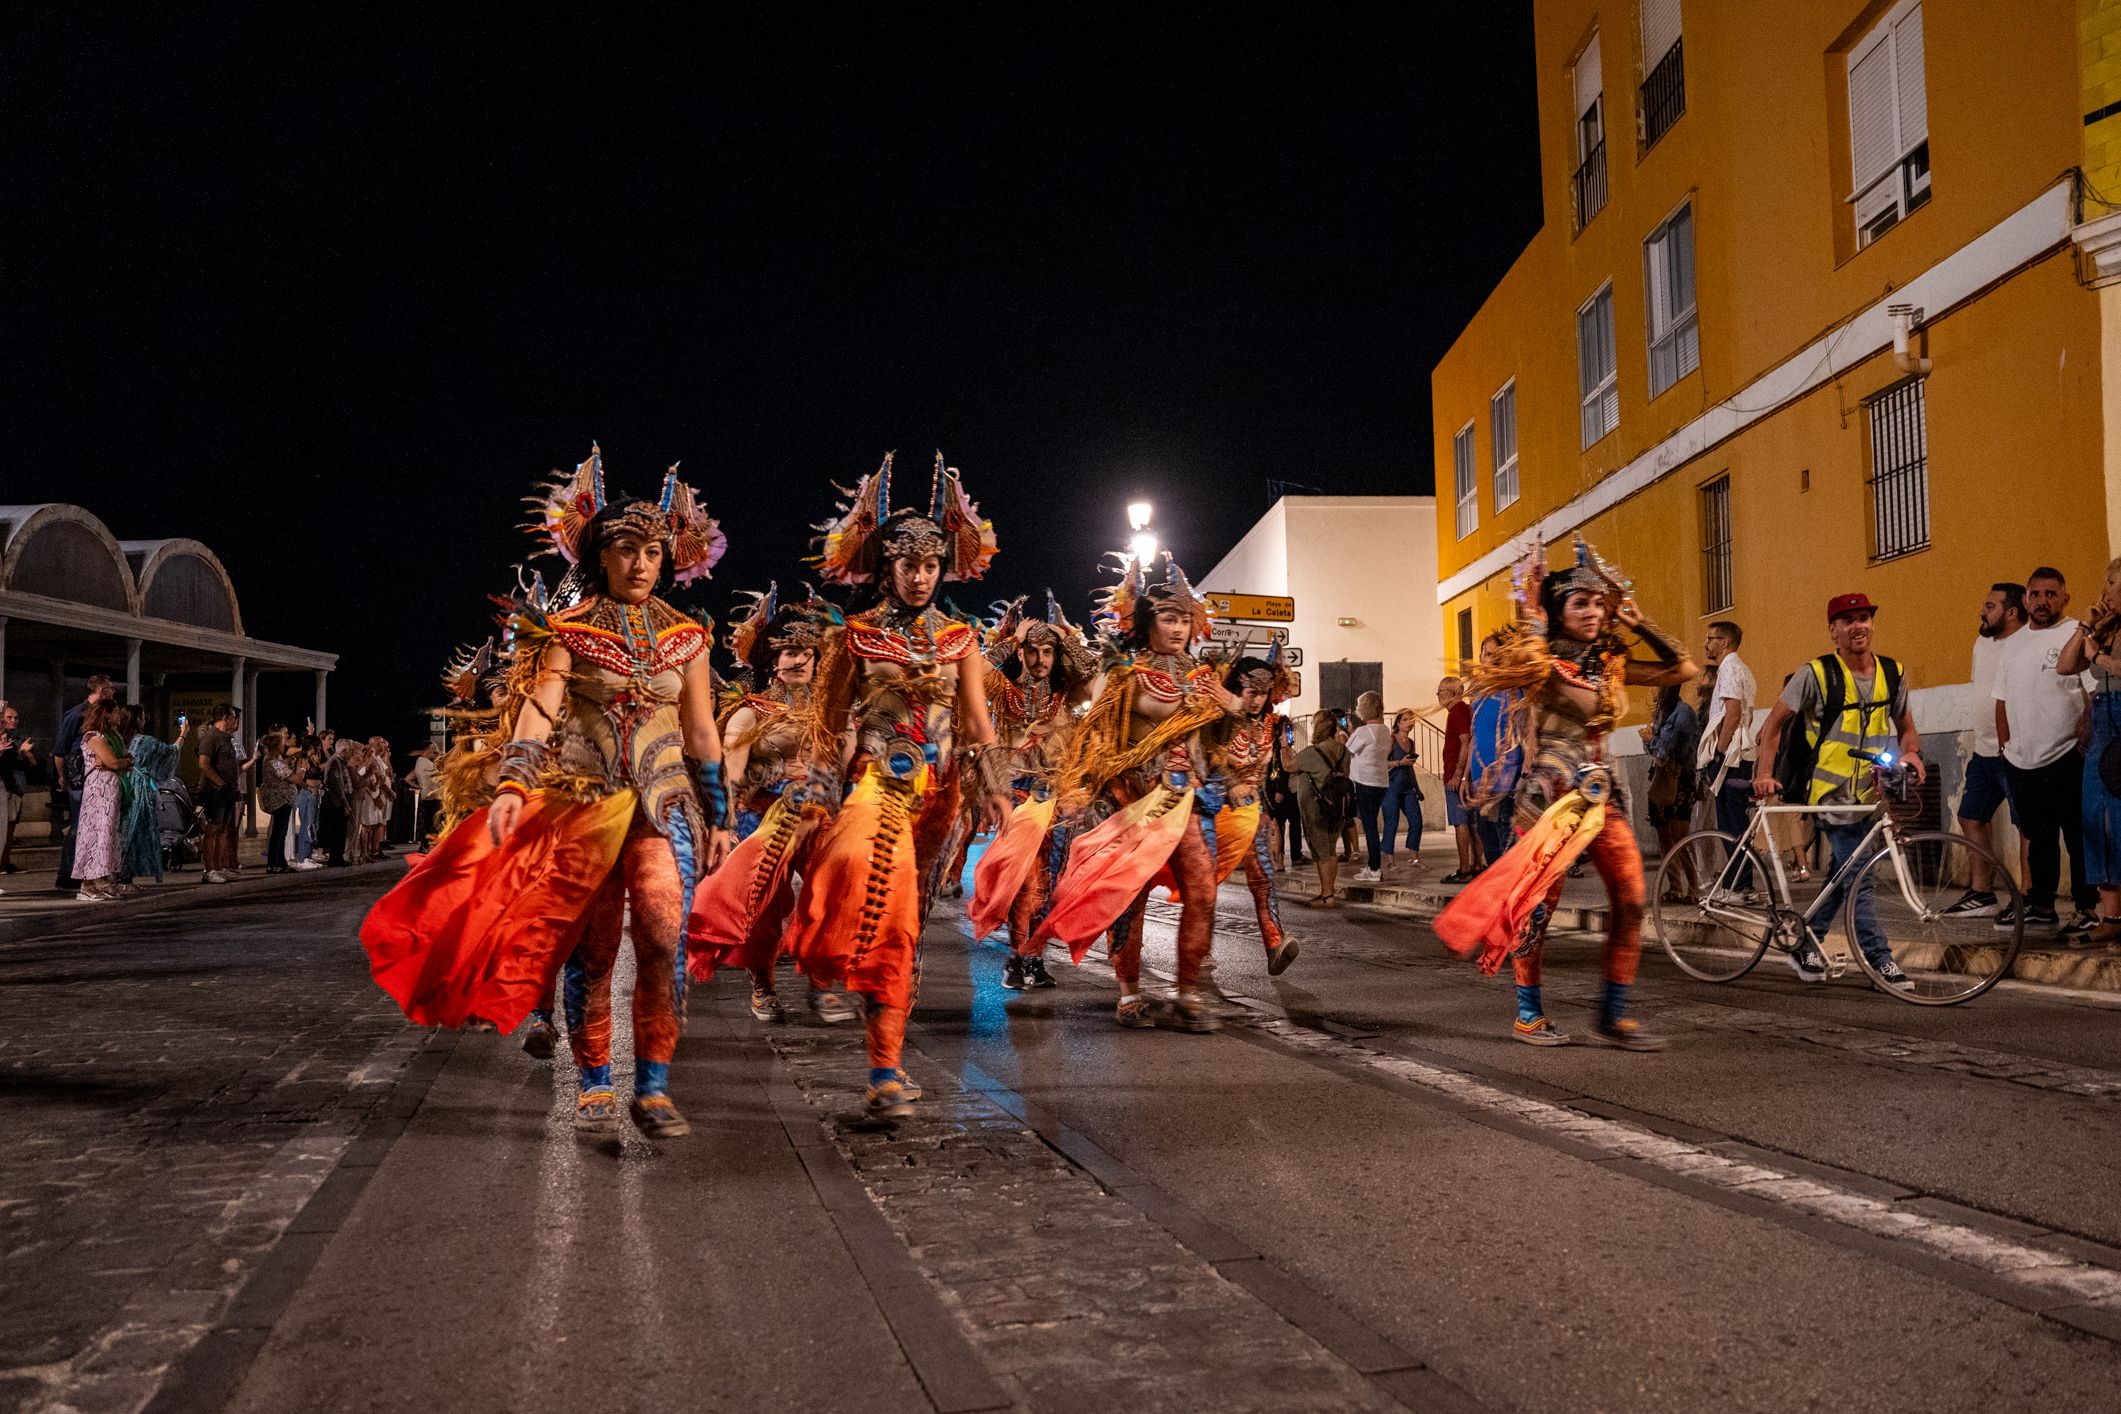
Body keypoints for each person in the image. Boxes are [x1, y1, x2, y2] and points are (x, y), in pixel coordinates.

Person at [363, 447, 735, 1139]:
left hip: (662, 812)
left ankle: (653, 1087)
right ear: (601, 556)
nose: (641, 564)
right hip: (587, 811)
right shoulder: (569, 634)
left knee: (660, 941)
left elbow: (702, 731)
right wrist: (513, 781)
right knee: (591, 951)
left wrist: (722, 816)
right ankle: (595, 1082)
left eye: (652, 551)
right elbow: (538, 707)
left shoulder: (689, 639)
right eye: (625, 550)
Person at [696, 452, 1008, 1115]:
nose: (920, 576)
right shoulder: (857, 640)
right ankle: (884, 1071)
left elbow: (979, 723)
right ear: (884, 567)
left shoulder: (960, 639)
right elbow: (831, 730)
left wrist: (996, 786)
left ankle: (885, 1053)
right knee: (887, 915)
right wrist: (817, 795)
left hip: (943, 795)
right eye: (907, 564)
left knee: (913, 923)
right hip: (879, 787)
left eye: (930, 565)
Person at [1435, 535, 1698, 1049]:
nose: (1595, 611)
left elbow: (1683, 669)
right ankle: (1528, 1014)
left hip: (1605, 797)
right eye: (1582, 602)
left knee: (1631, 899)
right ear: (1558, 611)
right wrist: (1537, 622)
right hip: (1550, 797)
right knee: (1536, 909)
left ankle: (1613, 1015)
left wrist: (1636, 621)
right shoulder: (1541, 664)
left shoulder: (1610, 659)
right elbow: (1584, 703)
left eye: (1600, 602)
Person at [1027, 548, 1243, 1032]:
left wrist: (1233, 709)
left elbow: (1220, 744)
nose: (1179, 629)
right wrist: (1092, 790)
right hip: (1133, 802)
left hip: (1182, 801)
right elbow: (1096, 738)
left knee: (1202, 891)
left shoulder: (1203, 679)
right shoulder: (1123, 672)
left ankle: (1188, 994)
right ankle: (1128, 994)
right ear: (1148, 621)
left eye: (1185, 620)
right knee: (1131, 896)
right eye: (1169, 618)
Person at [1752, 592, 1925, 986]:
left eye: (1863, 617)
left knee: (1841, 873)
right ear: (1834, 630)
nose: (1858, 625)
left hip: (1870, 793)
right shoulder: (1816, 674)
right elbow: (1773, 726)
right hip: (1828, 793)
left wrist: (1912, 753)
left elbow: (1907, 726)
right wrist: (1764, 773)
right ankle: (1879, 959)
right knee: (1859, 876)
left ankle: (1803, 938)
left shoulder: (1893, 673)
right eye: (1848, 620)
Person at [704, 584, 847, 1027]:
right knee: (766, 908)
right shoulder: (750, 714)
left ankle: (821, 984)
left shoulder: (831, 711)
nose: (800, 659)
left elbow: (838, 766)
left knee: (831, 895)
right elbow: (730, 775)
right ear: (772, 661)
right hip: (761, 815)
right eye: (789, 652)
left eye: (807, 651)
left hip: (816, 815)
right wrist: (724, 825)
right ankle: (762, 986)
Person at [980, 594, 1099, 992]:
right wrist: (1014, 639)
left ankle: (1034, 956)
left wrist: (1067, 639)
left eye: (1047, 652)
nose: (1040, 659)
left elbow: (1097, 672)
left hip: (1059, 798)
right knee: (1025, 881)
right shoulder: (1003, 688)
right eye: (1033, 651)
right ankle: (1019, 958)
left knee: (1054, 883)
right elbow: (975, 674)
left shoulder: (1066, 694)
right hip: (1017, 796)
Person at [1994, 567, 2096, 937]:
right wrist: (2007, 747)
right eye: (2035, 594)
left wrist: (2086, 735)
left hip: (2066, 754)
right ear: (2025, 599)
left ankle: (2088, 907)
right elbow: (2001, 700)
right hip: (2022, 759)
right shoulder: (2013, 644)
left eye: (2051, 594)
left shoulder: (2075, 634)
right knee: (2038, 837)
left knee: (2076, 834)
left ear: (2064, 599)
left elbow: (2091, 692)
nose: (2042, 601)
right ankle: (2041, 904)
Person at [1946, 583, 2025, 916]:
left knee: (2027, 826)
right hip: (1984, 750)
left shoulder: (2024, 643)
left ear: (2010, 611)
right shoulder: (1981, 643)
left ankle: (2027, 896)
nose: (1982, 611)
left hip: (2018, 750)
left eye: (1990, 606)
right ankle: (1982, 893)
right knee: (1970, 815)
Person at [2055, 559, 2121, 947]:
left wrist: (2097, 656)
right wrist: (2086, 627)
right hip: (2102, 725)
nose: (2105, 590)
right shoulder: (2104, 629)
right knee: (2097, 818)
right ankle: (2111, 915)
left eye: (2111, 582)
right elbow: (2064, 666)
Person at [1463, 633, 1526, 879]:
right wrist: (1466, 775)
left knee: (1507, 848)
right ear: (1480, 657)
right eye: (1488, 653)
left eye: (1497, 654)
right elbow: (1474, 736)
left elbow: (1525, 735)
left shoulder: (1514, 692)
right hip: (1481, 783)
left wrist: (1523, 775)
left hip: (1506, 784)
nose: (1492, 658)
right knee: (1488, 843)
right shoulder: (1478, 693)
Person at [53, 674, 118, 890]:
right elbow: (60, 750)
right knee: (80, 826)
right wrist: (63, 777)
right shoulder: (77, 714)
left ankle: (94, 873)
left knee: (96, 827)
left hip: (97, 777)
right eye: (109, 687)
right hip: (81, 776)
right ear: (99, 689)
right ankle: (69, 875)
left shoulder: (101, 715)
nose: (113, 690)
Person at [1642, 682, 1702, 901]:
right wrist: (1650, 742)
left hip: (1680, 778)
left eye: (1657, 686)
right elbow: (1653, 748)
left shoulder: (1683, 713)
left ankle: (1695, 888)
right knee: (1663, 834)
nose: (1653, 690)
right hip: (1660, 777)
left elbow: (1673, 748)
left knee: (1680, 834)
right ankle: (1675, 886)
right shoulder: (1661, 714)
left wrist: (1652, 740)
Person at [1701, 621, 1758, 849]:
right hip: (1738, 752)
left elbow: (1733, 714)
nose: (1705, 644)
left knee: (1730, 822)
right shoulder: (1740, 668)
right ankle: (1738, 879)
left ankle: (1739, 881)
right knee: (1734, 820)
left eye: (1710, 639)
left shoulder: (1730, 669)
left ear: (1724, 642)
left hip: (1730, 756)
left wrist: (1719, 752)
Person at [72, 699, 132, 902]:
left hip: (111, 791)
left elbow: (124, 760)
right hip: (98, 793)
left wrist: (122, 762)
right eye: (115, 712)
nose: (118, 716)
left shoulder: (114, 736)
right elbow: (113, 761)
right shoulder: (93, 736)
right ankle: (87, 883)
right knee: (96, 834)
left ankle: (103, 879)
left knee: (108, 835)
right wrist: (120, 762)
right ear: (105, 714)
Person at [1293, 709, 1352, 907]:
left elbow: (1287, 765)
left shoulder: (1311, 753)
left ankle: (1327, 896)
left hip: (1317, 809)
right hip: (1339, 807)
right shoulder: (1343, 751)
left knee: (1322, 853)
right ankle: (1329, 892)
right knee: (1331, 850)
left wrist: (1285, 744)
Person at [121, 716, 177, 885]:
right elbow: (170, 751)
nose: (144, 721)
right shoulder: (144, 740)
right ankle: (126, 875)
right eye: (142, 718)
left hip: (121, 784)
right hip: (138, 790)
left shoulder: (118, 739)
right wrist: (182, 734)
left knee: (122, 832)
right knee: (136, 832)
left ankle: (121, 874)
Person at [1344, 691, 1392, 883]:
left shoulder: (1363, 731)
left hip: (1365, 782)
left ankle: (1374, 868)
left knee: (1369, 826)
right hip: (1381, 781)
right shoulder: (1385, 730)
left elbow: (1348, 749)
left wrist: (1349, 732)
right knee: (1372, 824)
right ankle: (1374, 865)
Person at [195, 703, 243, 884]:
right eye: (232, 717)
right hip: (215, 791)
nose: (234, 721)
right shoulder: (211, 737)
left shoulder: (226, 738)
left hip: (227, 791)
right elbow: (203, 763)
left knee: (222, 829)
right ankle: (209, 869)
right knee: (213, 829)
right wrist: (219, 783)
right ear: (225, 718)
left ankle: (219, 867)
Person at [1437, 676, 1480, 883]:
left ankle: (1465, 869)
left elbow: (1465, 741)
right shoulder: (1464, 711)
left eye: (1440, 692)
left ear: (1452, 694)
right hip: (1466, 775)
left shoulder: (1457, 712)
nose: (1438, 696)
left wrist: (1458, 774)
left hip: (1458, 777)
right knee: (1471, 823)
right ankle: (1477, 864)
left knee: (1460, 822)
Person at [1380, 708, 1423, 873]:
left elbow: (1410, 768)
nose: (1409, 723)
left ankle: (1414, 858)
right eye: (1406, 719)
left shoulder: (1410, 742)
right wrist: (1399, 763)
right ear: (1398, 722)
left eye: (1411, 720)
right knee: (1392, 823)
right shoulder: (1391, 740)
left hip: (1407, 787)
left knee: (1417, 821)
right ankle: (1390, 860)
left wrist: (1417, 788)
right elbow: (1381, 763)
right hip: (1391, 787)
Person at [257, 729, 302, 874]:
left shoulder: (272, 760)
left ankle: (280, 862)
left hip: (282, 800)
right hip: (280, 801)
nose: (284, 747)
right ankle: (273, 863)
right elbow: (294, 778)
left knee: (281, 833)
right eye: (282, 744)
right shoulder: (274, 762)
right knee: (278, 833)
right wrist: (302, 768)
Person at [0, 702, 36, 877]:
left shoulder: (16, 739)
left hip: (13, 787)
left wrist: (24, 754)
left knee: (9, 828)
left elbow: (33, 763)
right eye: (8, 717)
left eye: (16, 717)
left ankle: (4, 862)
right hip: (6, 785)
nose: (13, 720)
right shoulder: (5, 740)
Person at [322, 739, 357, 866]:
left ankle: (338, 858)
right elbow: (337, 787)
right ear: (343, 751)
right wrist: (346, 805)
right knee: (337, 831)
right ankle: (335, 858)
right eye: (349, 751)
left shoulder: (339, 762)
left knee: (341, 831)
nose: (351, 753)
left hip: (340, 801)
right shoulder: (334, 763)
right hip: (336, 803)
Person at [403, 744, 441, 846]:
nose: (434, 751)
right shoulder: (424, 762)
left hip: (430, 796)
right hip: (432, 797)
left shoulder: (422, 762)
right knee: (432, 823)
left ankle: (427, 844)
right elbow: (440, 774)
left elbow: (408, 779)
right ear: (427, 749)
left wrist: (420, 787)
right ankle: (427, 844)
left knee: (429, 822)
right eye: (433, 748)